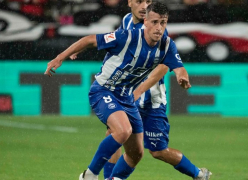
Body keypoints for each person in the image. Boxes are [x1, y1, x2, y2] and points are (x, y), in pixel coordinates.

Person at [45, 2, 191, 180]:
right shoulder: (127, 36)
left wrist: (181, 77)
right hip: (104, 90)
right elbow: (91, 39)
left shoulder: (167, 45)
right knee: (122, 131)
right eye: (154, 22)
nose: (159, 28)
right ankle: (89, 175)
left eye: (163, 22)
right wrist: (60, 57)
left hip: (126, 97)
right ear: (145, 21)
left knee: (136, 154)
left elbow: (179, 67)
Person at [102, 1, 212, 180]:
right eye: (140, 1)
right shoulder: (127, 21)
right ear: (130, 2)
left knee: (158, 151)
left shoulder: (158, 31)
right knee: (115, 133)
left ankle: (198, 174)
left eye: (148, 1)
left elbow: (162, 67)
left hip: (152, 98)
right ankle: (109, 178)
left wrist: (138, 90)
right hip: (127, 94)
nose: (144, 5)